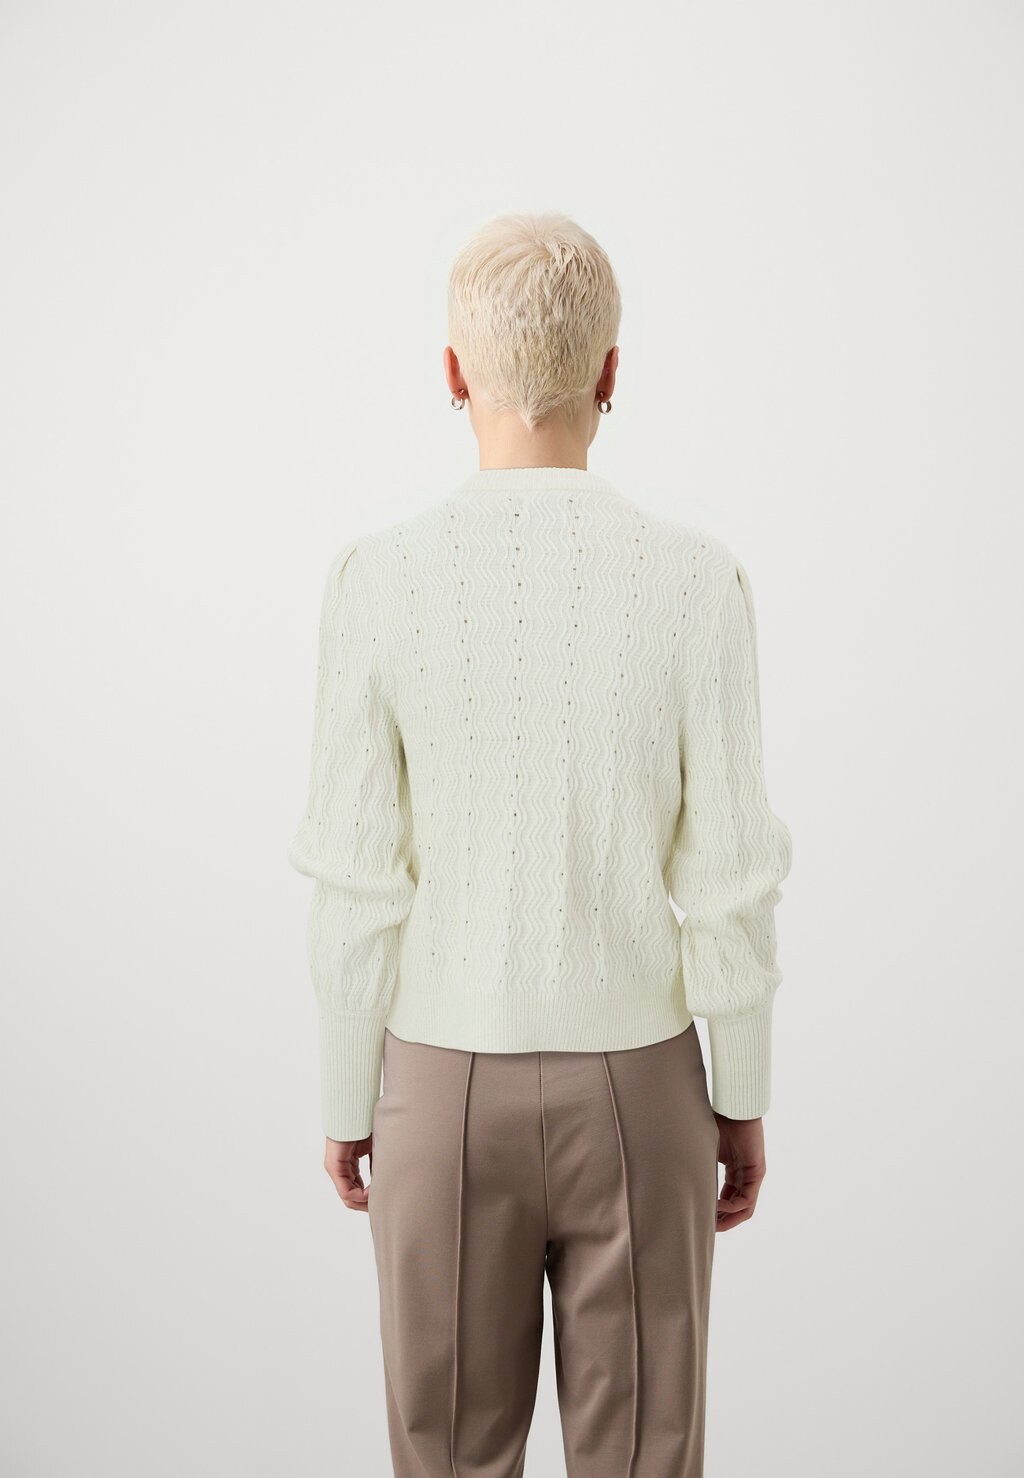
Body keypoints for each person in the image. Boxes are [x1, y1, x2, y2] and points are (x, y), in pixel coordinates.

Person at [287, 211, 793, 1478]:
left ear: (451, 370)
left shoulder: (376, 579)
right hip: (644, 1086)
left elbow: (356, 877)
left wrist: (348, 1092)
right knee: (645, 1458)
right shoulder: (697, 581)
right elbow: (730, 874)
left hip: (437, 1085)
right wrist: (739, 1092)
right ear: (611, 369)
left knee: (448, 1456)